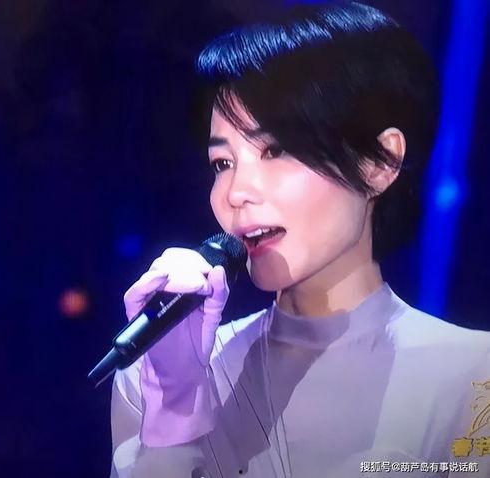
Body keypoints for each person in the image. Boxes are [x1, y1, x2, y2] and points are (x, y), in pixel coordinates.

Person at [109, 2, 490, 477]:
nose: (236, 192)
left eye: (276, 150)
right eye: (223, 163)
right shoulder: (157, 375)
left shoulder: (475, 379)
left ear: (381, 162)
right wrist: (175, 406)